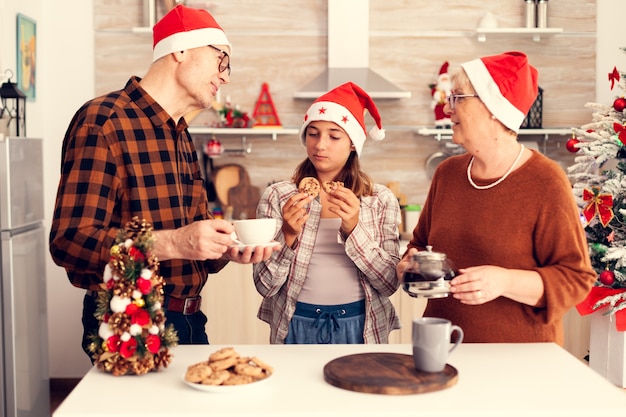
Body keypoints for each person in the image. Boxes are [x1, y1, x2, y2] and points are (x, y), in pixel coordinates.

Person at [49, 4, 278, 358]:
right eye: (222, 61)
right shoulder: (103, 121)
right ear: (181, 49)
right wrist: (174, 243)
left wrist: (227, 249)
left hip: (189, 321)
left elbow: (192, 247)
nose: (226, 77)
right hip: (128, 321)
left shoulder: (181, 133)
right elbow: (70, 241)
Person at [397, 51, 596, 344]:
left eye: (457, 98)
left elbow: (575, 279)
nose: (448, 109)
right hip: (443, 348)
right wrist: (410, 265)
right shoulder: (447, 173)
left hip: (517, 360)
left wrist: (504, 281)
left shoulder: (546, 180)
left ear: (493, 109)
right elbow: (418, 245)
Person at [253, 82, 401, 344]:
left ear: (353, 144)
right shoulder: (278, 196)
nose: (320, 145)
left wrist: (353, 228)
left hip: (361, 326)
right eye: (313, 134)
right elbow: (265, 286)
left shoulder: (379, 200)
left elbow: (389, 283)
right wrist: (287, 235)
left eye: (334, 136)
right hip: (295, 323)